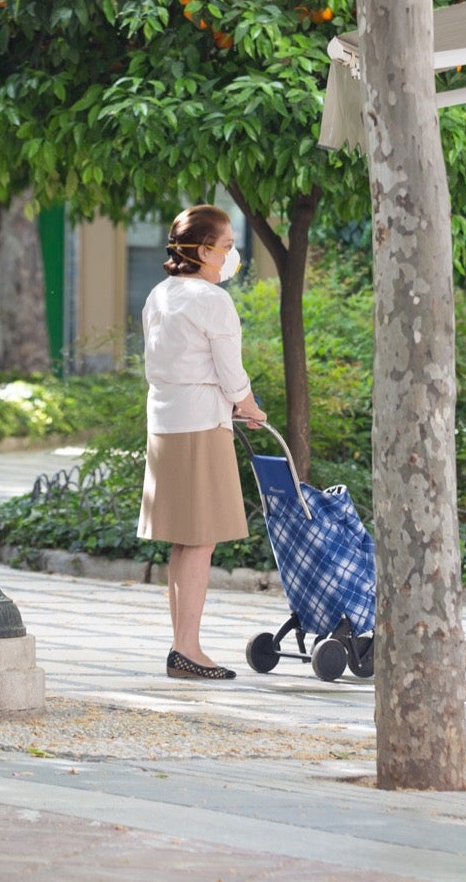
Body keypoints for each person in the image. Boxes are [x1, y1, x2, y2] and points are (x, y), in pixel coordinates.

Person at [138, 204, 266, 681]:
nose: (231, 255)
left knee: (185, 540)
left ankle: (182, 646)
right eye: (227, 247)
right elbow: (230, 371)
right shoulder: (213, 300)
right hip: (200, 422)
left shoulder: (160, 294)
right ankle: (187, 648)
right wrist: (248, 406)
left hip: (165, 422)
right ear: (203, 250)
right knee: (201, 540)